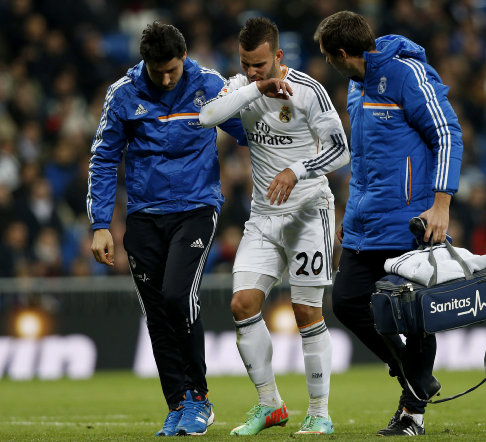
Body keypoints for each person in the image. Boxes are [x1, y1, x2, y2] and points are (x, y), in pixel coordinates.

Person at [86, 21, 247, 437]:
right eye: (157, 71)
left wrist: (266, 104)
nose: (165, 78)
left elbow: (246, 133)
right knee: (156, 312)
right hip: (143, 215)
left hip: (195, 208)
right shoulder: (123, 94)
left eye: (172, 70)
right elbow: (103, 159)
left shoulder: (209, 84)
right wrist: (101, 224)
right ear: (145, 63)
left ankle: (200, 398)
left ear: (185, 57)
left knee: (178, 295)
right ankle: (177, 403)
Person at [314, 11, 463, 437]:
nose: (328, 63)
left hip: (412, 219)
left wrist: (441, 205)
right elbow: (363, 161)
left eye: (328, 57)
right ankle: (413, 375)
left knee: (414, 315)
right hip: (366, 221)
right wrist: (351, 212)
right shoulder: (356, 86)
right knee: (346, 302)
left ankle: (411, 415)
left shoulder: (408, 75)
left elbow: (448, 133)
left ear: (342, 54)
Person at [200, 17, 350, 436]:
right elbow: (206, 117)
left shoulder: (308, 90)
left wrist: (296, 170)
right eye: (246, 63)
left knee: (306, 311)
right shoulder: (240, 88)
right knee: (242, 305)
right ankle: (270, 405)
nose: (252, 70)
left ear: (279, 56)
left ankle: (319, 411)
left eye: (261, 65)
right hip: (263, 217)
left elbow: (340, 152)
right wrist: (254, 87)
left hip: (308, 212)